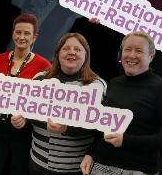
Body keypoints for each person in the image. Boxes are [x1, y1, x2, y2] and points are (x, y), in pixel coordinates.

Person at [80, 33, 162, 175]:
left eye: (139, 51)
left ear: (151, 56)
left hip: (136, 170)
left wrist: (126, 140)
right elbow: (102, 126)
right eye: (127, 49)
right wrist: (90, 153)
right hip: (99, 166)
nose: (131, 55)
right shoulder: (113, 83)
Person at [27, 33, 104, 175]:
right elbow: (28, 112)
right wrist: (20, 119)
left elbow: (101, 129)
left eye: (78, 49)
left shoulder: (97, 86)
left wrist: (67, 128)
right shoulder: (39, 79)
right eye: (66, 48)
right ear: (57, 54)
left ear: (86, 56)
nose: (71, 52)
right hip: (39, 163)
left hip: (75, 168)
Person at [0, 15, 51, 175]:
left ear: (34, 37)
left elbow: (44, 102)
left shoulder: (44, 65)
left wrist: (27, 119)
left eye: (27, 33)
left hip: (23, 129)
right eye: (18, 32)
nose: (22, 37)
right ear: (13, 34)